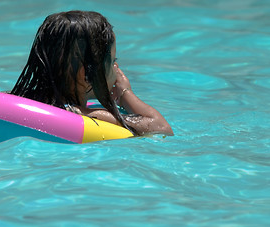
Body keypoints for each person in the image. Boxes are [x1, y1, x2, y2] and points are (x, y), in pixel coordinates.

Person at [11, 10, 173, 136]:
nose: (117, 68)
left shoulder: (27, 99)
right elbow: (161, 128)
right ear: (87, 75)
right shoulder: (83, 115)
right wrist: (125, 94)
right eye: (112, 61)